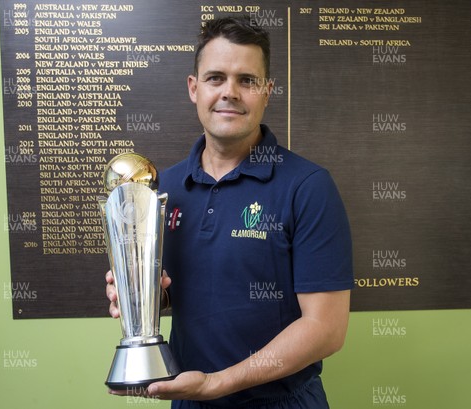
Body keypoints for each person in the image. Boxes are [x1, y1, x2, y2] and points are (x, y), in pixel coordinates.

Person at [106, 15, 353, 408]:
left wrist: (218, 383)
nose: (230, 92)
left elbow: (326, 328)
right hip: (188, 398)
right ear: (194, 88)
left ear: (268, 91)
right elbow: (187, 290)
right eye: (215, 77)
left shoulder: (307, 187)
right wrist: (142, 297)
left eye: (247, 80)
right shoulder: (162, 190)